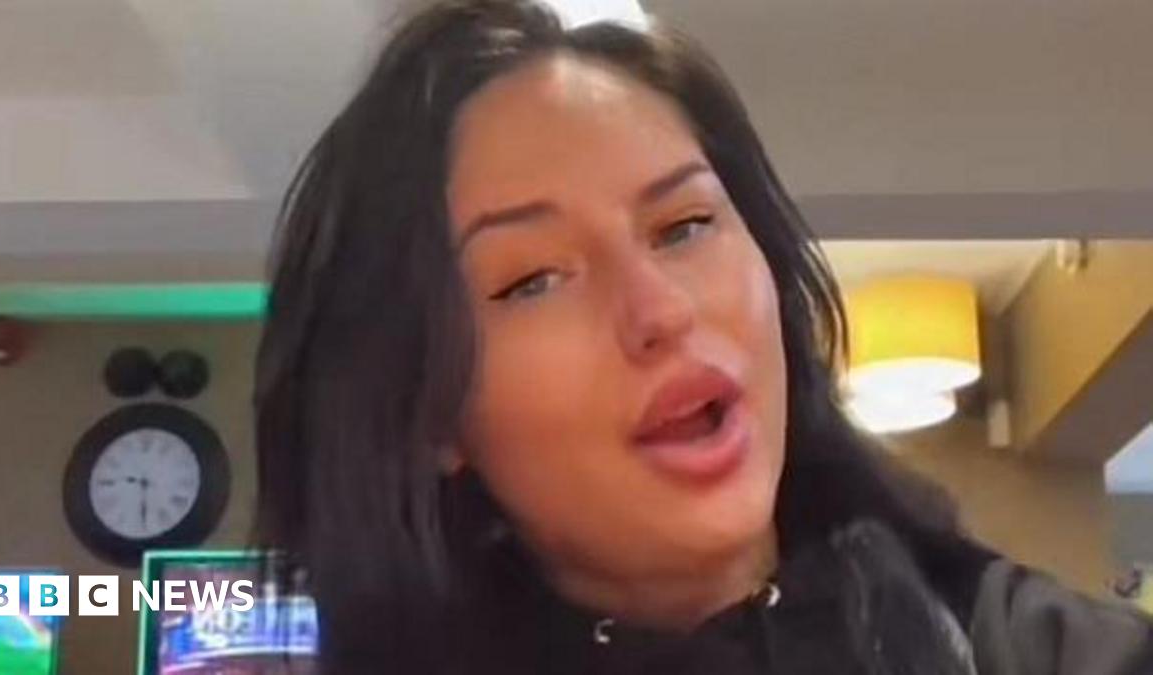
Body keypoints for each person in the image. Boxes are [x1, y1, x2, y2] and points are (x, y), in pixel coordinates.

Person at [252, 1, 1153, 672]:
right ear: (428, 415)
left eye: (683, 226)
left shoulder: (1012, 645)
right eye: (532, 279)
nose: (661, 310)